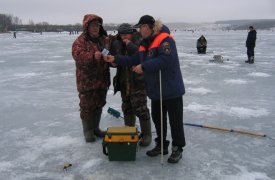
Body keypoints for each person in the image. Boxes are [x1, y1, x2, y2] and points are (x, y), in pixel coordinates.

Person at [104, 15, 186, 163]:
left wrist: (144, 67)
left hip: (171, 89)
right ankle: (161, 145)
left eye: (141, 27)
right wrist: (115, 59)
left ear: (148, 27)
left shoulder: (165, 39)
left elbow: (166, 60)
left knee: (175, 122)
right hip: (156, 91)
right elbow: (133, 59)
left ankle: (177, 148)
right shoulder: (145, 44)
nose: (139, 30)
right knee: (158, 120)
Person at [110, 23, 152, 146]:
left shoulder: (140, 41)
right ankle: (129, 131)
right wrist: (112, 63)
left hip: (138, 81)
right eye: (122, 34)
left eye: (126, 34)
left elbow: (143, 57)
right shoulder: (116, 44)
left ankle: (146, 134)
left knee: (141, 108)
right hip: (123, 82)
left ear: (132, 33)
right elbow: (113, 59)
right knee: (127, 108)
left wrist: (130, 45)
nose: (124, 36)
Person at [72, 14, 111, 142]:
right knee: (86, 106)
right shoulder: (80, 41)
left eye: (98, 26)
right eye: (93, 26)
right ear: (87, 27)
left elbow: (114, 44)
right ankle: (88, 131)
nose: (96, 28)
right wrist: (92, 56)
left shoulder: (104, 39)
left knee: (99, 104)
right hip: (86, 81)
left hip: (101, 80)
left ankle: (96, 128)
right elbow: (78, 56)